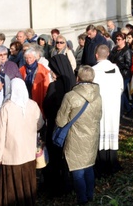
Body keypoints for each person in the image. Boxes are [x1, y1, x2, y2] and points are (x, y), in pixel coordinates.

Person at [0, 78, 43, 206]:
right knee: (27, 183)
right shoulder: (33, 105)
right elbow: (40, 124)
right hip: (29, 153)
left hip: (11, 154)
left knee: (12, 186)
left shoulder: (6, 107)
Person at [56, 65, 102, 206]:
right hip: (92, 135)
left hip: (75, 137)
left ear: (78, 78)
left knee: (77, 169)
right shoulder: (98, 95)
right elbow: (99, 116)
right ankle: (90, 195)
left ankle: (82, 199)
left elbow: (60, 120)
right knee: (88, 166)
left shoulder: (70, 96)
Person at [42, 54, 76, 197]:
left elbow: (47, 106)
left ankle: (55, 186)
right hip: (71, 127)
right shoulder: (73, 83)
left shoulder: (54, 86)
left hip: (55, 127)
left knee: (55, 157)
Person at [92, 45, 123, 176]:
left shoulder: (93, 71)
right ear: (108, 54)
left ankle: (101, 164)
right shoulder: (115, 69)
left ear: (96, 55)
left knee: (101, 130)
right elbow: (121, 87)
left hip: (100, 106)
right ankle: (112, 161)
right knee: (111, 129)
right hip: (113, 106)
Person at [20, 46, 51, 117]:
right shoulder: (22, 69)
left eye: (30, 58)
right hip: (26, 96)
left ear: (35, 58)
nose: (28, 60)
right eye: (26, 58)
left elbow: (46, 85)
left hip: (39, 96)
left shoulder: (42, 69)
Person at [110, 31, 133, 114]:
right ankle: (127, 107)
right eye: (116, 39)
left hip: (124, 74)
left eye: (119, 39)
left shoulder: (127, 51)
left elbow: (128, 64)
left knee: (120, 92)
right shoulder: (114, 49)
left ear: (124, 40)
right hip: (115, 74)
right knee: (120, 92)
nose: (117, 41)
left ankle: (123, 109)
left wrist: (118, 65)